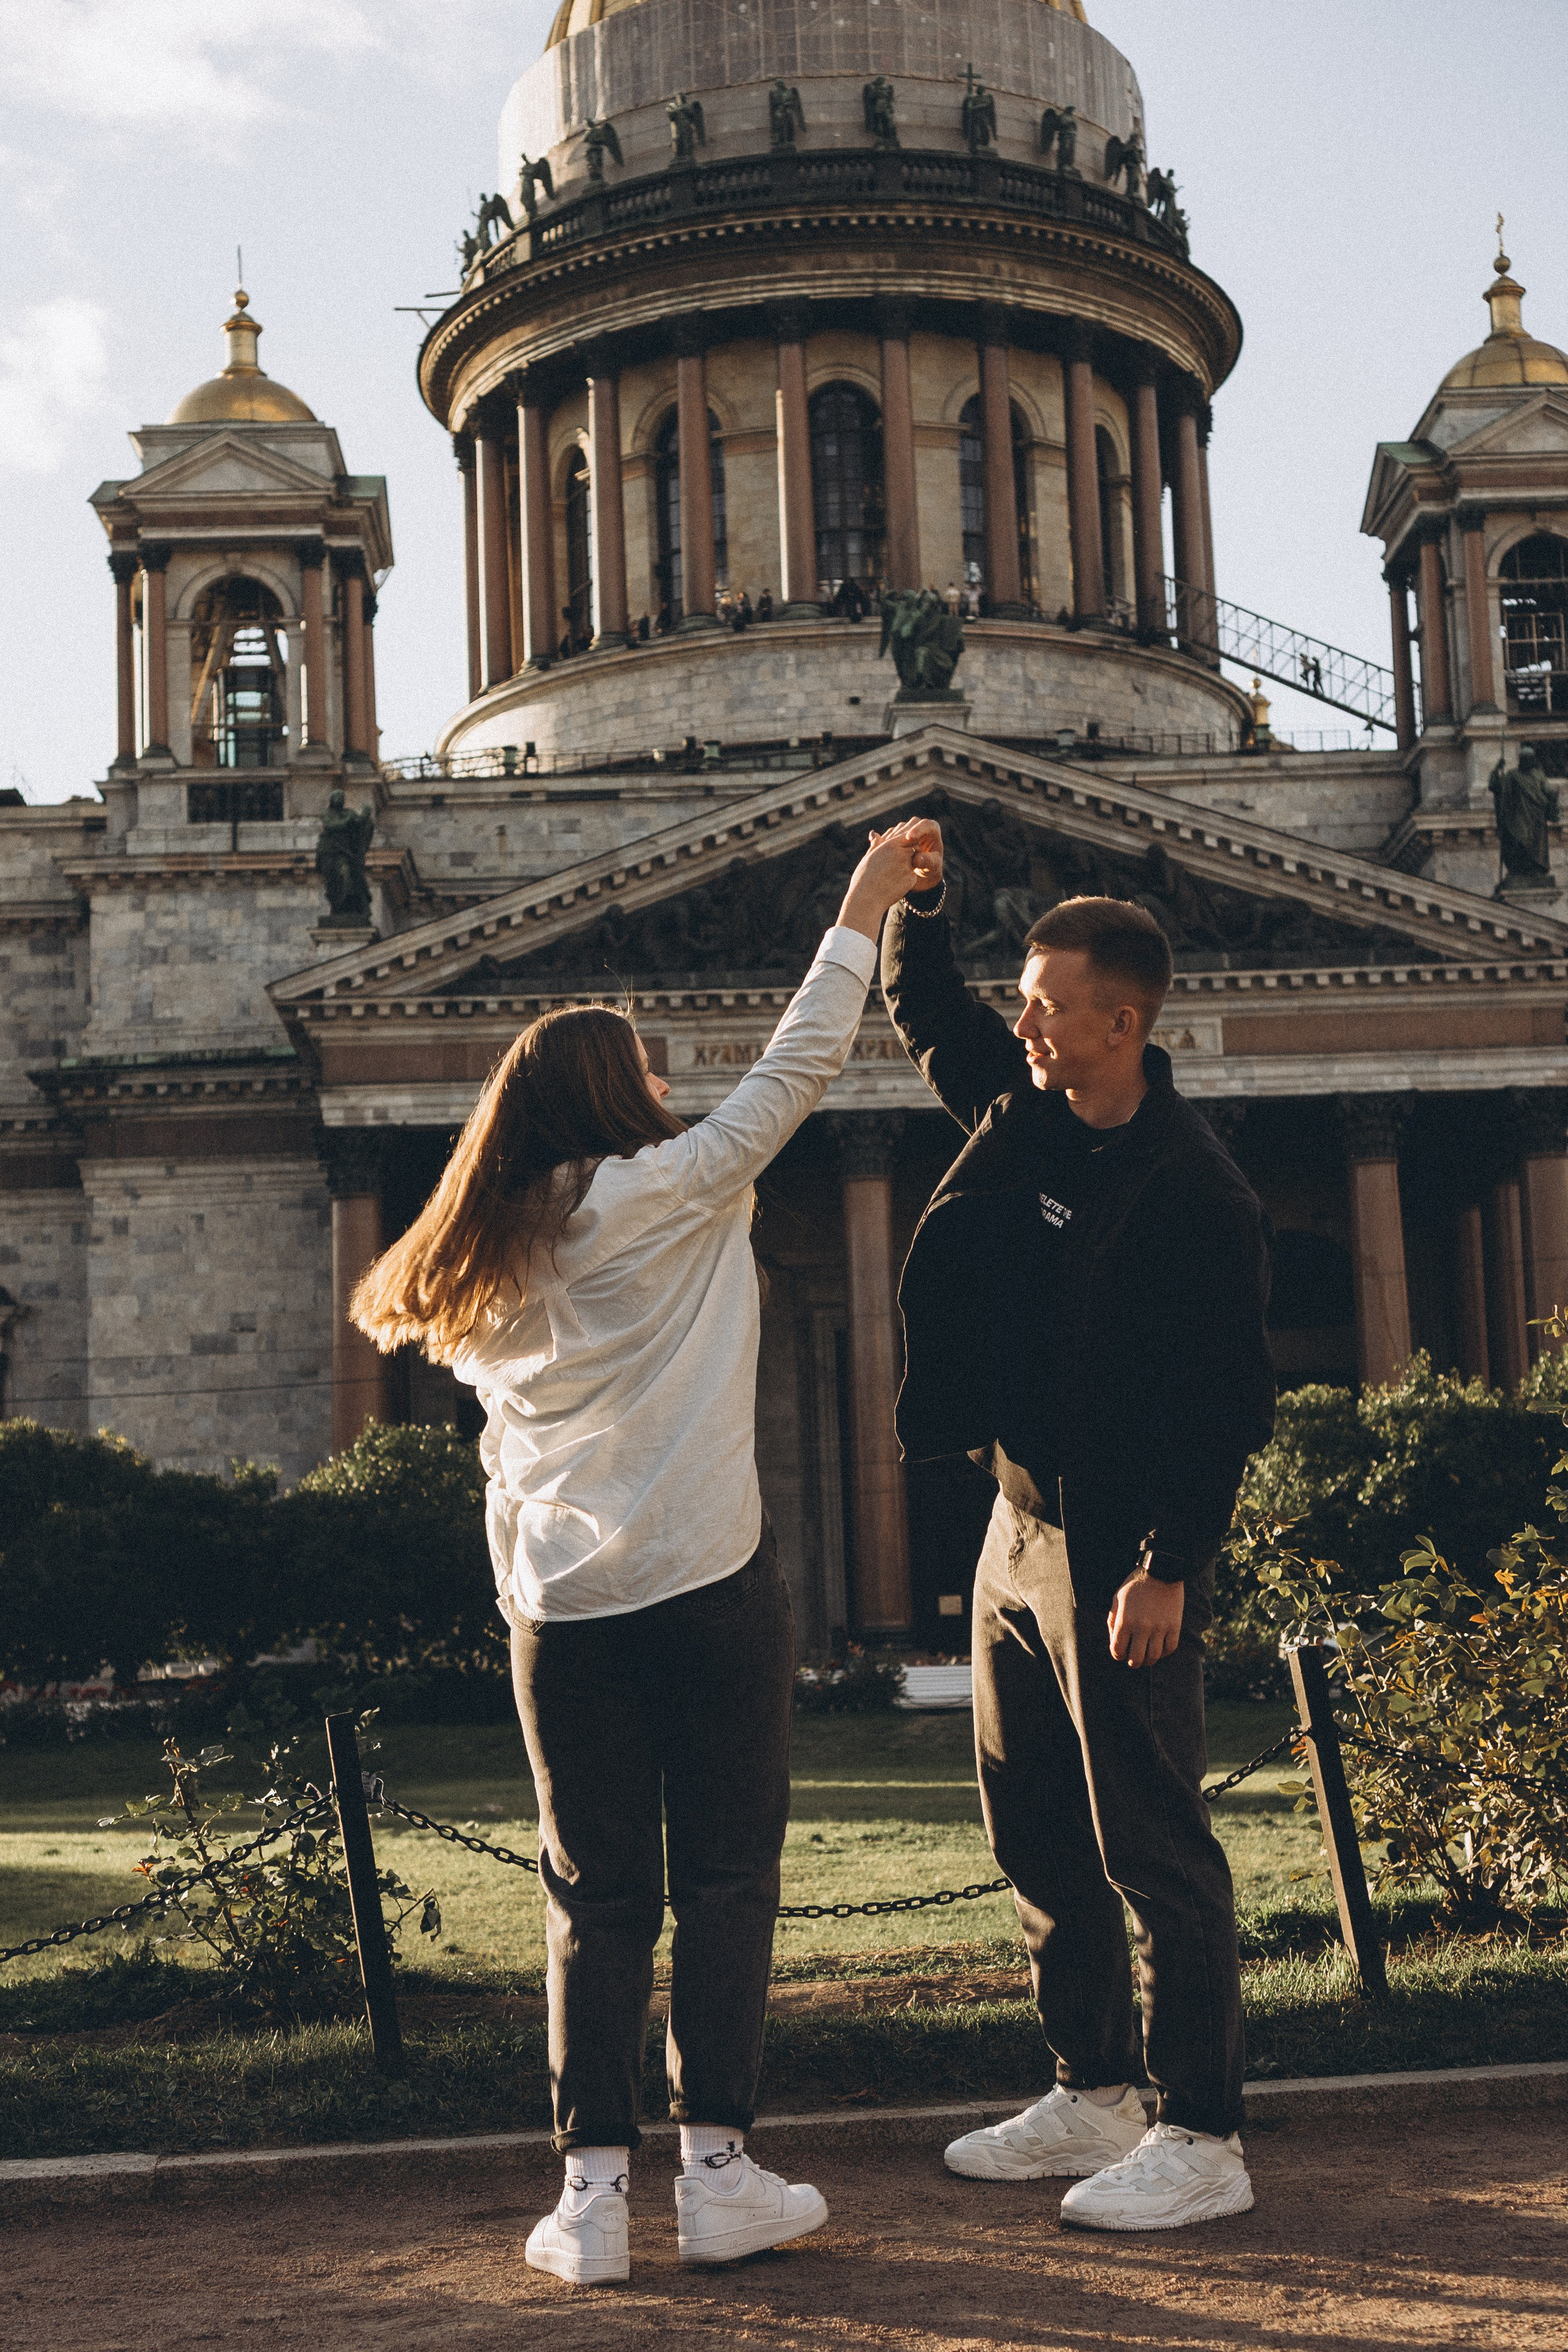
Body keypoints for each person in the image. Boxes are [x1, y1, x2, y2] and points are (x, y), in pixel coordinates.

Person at [352, 819, 936, 2286]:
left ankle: (592, 2200)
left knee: (591, 1895)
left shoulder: (482, 1261)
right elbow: (801, 1062)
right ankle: (721, 2176)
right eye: (654, 1078)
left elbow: (496, 1446)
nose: (674, 1095)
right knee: (728, 1877)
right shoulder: (669, 1190)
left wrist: (522, 1567)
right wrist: (862, 900)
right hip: (712, 1585)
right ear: (617, 1095)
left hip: (561, 1611)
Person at [878, 833, 1275, 2232]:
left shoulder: (1196, 1190)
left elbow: (1228, 1402)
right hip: (1018, 1526)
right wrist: (920, 904)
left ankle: (1202, 2133)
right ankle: (1093, 2091)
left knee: (1152, 1847)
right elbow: (928, 1010)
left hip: (1122, 1553)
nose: (1025, 1021)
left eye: (1046, 1004)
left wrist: (1169, 1567)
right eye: (1025, 1000)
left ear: (1124, 1023)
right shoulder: (1027, 1107)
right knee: (1035, 1828)